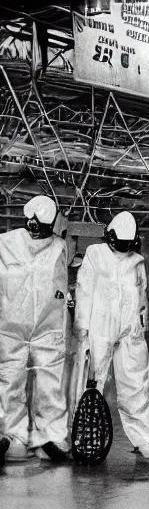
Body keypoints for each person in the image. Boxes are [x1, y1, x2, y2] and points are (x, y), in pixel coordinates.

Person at [74, 211, 149, 459]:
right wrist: (82, 329)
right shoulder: (95, 255)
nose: (123, 249)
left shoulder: (137, 262)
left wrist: (140, 327)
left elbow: (142, 300)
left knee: (135, 386)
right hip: (99, 330)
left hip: (130, 334)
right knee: (91, 385)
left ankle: (142, 440)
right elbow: (84, 291)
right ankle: (84, 437)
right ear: (109, 237)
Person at [0, 195, 69, 464]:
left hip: (47, 328)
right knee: (9, 381)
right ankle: (12, 438)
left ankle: (50, 437)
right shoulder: (6, 243)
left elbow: (60, 288)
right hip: (10, 326)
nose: (37, 229)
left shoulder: (59, 246)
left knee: (51, 384)